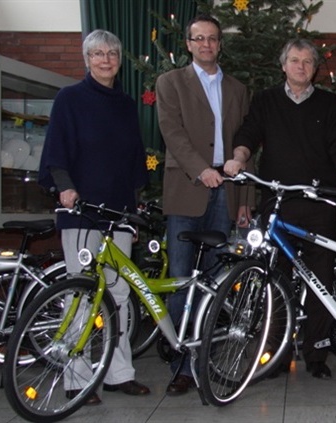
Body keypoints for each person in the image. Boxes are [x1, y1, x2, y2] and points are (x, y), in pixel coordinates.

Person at [224, 38, 336, 380]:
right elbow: (248, 134)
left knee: (319, 278)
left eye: (307, 61)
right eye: (294, 60)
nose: (301, 67)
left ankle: (317, 354)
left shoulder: (330, 104)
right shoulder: (266, 100)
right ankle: (275, 354)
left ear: (315, 68)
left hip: (319, 204)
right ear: (283, 65)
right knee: (275, 279)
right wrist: (237, 158)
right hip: (278, 204)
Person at [38, 29, 151, 404]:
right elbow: (55, 152)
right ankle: (77, 378)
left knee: (119, 295)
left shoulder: (125, 104)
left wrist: (133, 213)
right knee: (81, 296)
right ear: (86, 59)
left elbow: (135, 161)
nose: (106, 59)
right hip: (81, 213)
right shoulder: (69, 99)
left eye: (112, 53)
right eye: (98, 53)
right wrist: (66, 188)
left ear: (119, 59)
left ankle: (119, 374)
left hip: (117, 213)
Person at [154, 14, 251, 396]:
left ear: (219, 44)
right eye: (199, 39)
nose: (206, 44)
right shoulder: (170, 82)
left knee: (215, 282)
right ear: (189, 44)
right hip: (188, 188)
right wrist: (200, 170)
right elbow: (172, 133)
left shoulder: (239, 89)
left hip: (227, 191)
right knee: (182, 280)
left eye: (212, 39)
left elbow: (246, 145)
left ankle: (204, 360)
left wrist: (245, 199)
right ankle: (180, 364)